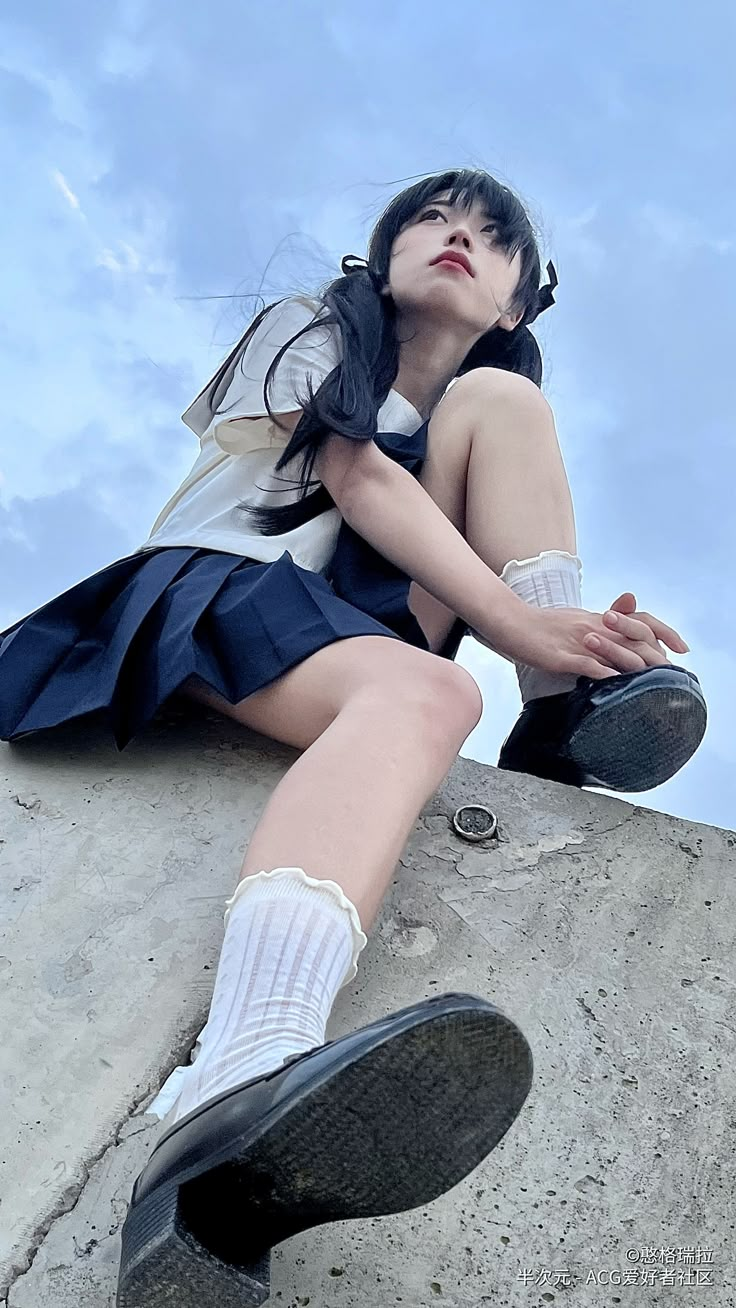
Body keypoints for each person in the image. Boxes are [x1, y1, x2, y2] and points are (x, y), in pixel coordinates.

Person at [0, 168, 706, 1305]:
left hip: (356, 633)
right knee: (428, 697)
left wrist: (562, 634)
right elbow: (354, 470)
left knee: (503, 421)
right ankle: (241, 1075)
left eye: (491, 237)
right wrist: (520, 615)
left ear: (517, 303)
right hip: (225, 589)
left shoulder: (482, 405)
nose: (457, 238)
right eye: (432, 218)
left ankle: (559, 698)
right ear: (380, 257)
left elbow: (434, 542)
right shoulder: (312, 325)